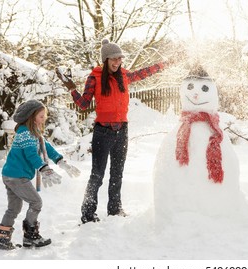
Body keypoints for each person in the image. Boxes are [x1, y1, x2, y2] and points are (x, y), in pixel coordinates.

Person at [56, 38, 174, 224]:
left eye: (119, 58)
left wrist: (166, 63)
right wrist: (71, 88)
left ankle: (114, 208)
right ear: (105, 60)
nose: (117, 62)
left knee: (117, 173)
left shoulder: (124, 76)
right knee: (97, 174)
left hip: (122, 131)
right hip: (103, 132)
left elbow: (143, 73)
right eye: (113, 59)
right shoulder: (94, 78)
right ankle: (88, 214)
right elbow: (83, 104)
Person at [0, 99, 80, 250]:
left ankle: (1, 239)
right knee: (36, 202)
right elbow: (31, 155)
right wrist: (44, 168)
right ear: (31, 116)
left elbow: (47, 148)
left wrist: (61, 162)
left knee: (14, 208)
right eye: (41, 116)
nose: (44, 119)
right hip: (17, 177)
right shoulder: (25, 133)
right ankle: (30, 236)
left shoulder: (33, 132)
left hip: (12, 175)